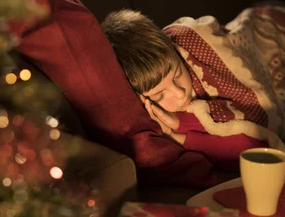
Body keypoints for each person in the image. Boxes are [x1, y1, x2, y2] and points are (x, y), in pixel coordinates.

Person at [101, 9, 267, 171]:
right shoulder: (162, 117)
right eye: (160, 96)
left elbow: (260, 143)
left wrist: (179, 127)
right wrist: (178, 135)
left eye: (177, 75)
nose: (179, 93)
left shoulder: (187, 49)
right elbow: (251, 154)